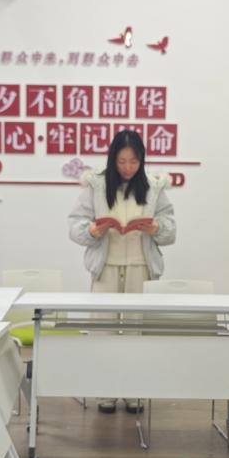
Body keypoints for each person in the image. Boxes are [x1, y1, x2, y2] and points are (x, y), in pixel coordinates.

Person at [68, 129, 176, 413]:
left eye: (134, 161)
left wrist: (156, 228)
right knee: (102, 331)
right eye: (122, 161)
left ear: (142, 160)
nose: (128, 168)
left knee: (134, 332)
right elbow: (75, 224)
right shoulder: (95, 185)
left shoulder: (154, 187)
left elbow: (170, 228)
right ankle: (105, 392)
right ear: (112, 159)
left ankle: (133, 392)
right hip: (105, 268)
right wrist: (92, 230)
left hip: (140, 266)